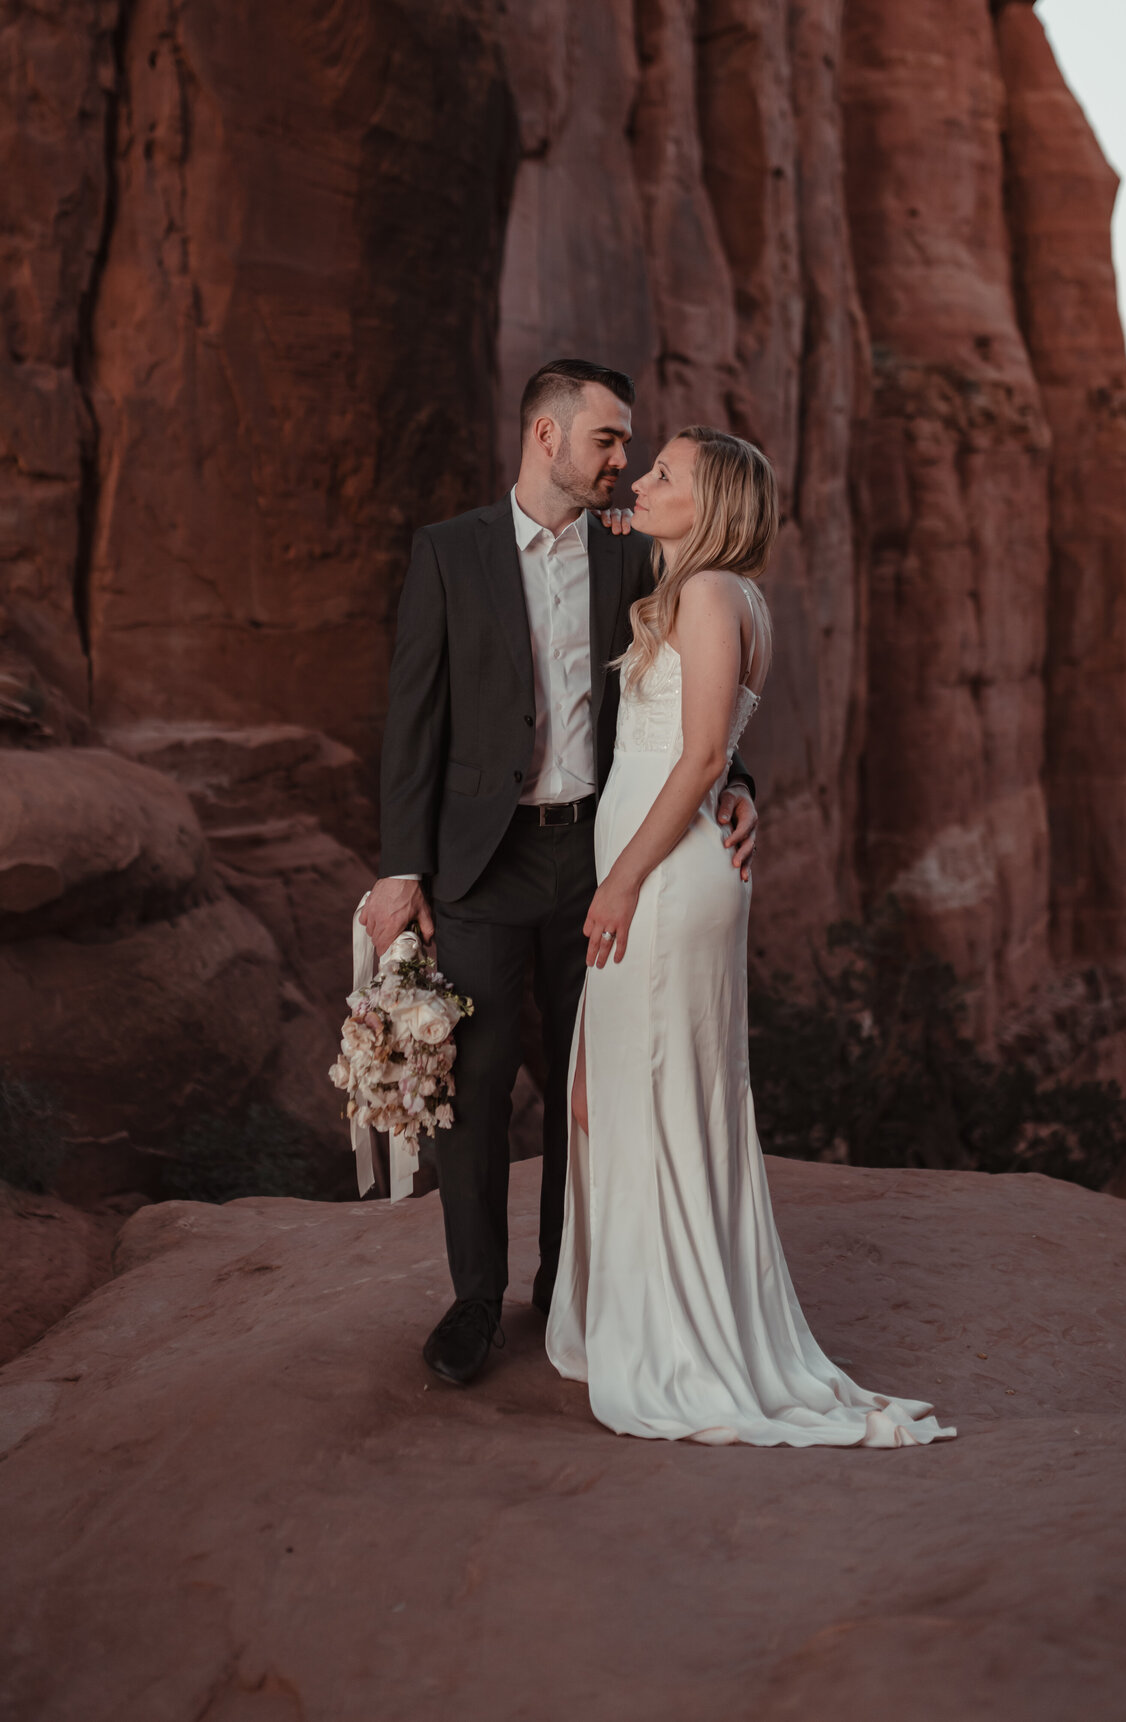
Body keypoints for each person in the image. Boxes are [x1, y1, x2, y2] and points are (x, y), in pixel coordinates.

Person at [546, 425, 956, 1449]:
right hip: (655, 874)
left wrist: (622, 884)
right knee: (602, 1091)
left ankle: (680, 1339)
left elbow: (695, 762)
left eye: (665, 475)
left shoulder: (713, 595)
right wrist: (722, 799)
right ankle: (637, 1311)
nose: (642, 480)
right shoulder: (698, 592)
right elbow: (713, 759)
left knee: (651, 1091)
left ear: (712, 504)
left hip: (662, 885)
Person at [359, 360, 758, 1386]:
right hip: (482, 863)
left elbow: (697, 692)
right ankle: (475, 1301)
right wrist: (402, 870)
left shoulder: (635, 558)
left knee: (598, 1080)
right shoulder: (450, 553)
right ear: (548, 437)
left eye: (630, 448)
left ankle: (566, 1287)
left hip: (601, 858)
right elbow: (414, 719)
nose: (622, 463)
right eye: (608, 441)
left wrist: (738, 781)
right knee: (479, 1079)